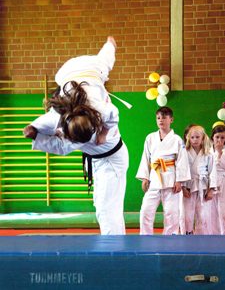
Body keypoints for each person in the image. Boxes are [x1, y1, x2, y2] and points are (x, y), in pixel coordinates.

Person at [23, 36, 129, 236]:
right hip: (74, 71)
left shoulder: (99, 110)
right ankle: (110, 44)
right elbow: (40, 129)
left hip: (112, 158)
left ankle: (115, 251)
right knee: (103, 206)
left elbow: (60, 146)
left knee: (107, 209)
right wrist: (32, 130)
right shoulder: (61, 115)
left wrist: (104, 133)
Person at [136, 107, 191, 235]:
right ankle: (145, 237)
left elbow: (182, 161)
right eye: (158, 118)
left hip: (171, 180)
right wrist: (145, 177)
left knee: (172, 213)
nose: (161, 120)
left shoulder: (177, 139)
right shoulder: (150, 138)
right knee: (145, 211)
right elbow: (145, 157)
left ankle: (170, 239)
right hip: (154, 178)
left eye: (164, 117)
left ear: (171, 119)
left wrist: (179, 181)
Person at [182, 125, 217, 235]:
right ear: (188, 138)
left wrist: (211, 189)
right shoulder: (184, 152)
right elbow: (181, 170)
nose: (195, 140)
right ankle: (187, 236)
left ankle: (202, 239)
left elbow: (213, 172)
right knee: (187, 215)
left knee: (203, 215)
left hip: (203, 187)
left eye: (197, 137)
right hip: (188, 187)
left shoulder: (208, 153)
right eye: (192, 137)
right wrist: (183, 187)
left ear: (203, 138)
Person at [210, 123, 225, 234]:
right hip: (211, 183)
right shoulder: (207, 151)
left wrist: (220, 152)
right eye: (217, 137)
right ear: (212, 137)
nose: (219, 140)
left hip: (223, 182)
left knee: (222, 210)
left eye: (222, 137)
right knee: (211, 211)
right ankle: (212, 235)